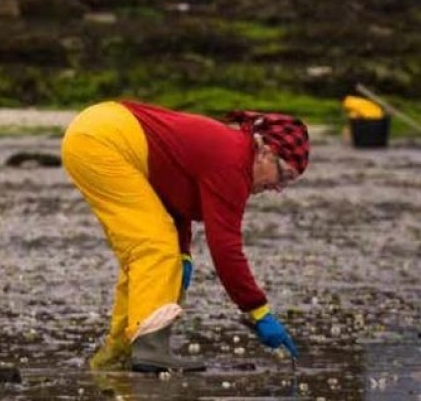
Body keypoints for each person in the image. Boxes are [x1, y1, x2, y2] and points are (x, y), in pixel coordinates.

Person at [61, 99, 309, 373]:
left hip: (96, 132)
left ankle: (119, 350)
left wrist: (183, 253)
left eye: (287, 183)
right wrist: (259, 310)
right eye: (283, 175)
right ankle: (150, 349)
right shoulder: (235, 160)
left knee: (147, 253)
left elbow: (171, 197)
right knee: (154, 247)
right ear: (265, 151)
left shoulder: (231, 152)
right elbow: (225, 247)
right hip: (102, 141)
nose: (276, 187)